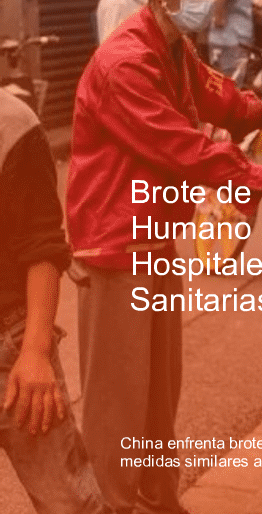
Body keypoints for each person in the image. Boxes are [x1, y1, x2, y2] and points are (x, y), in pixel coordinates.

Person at [66, 0, 262, 514]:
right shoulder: (126, 60)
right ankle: (117, 504)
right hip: (117, 242)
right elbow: (179, 145)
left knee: (160, 389)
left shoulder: (172, 48)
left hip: (154, 236)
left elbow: (218, 95)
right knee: (119, 398)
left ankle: (158, 497)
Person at [1, 88, 113, 514]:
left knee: (68, 502)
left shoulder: (11, 123)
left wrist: (35, 351)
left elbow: (43, 247)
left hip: (12, 349)